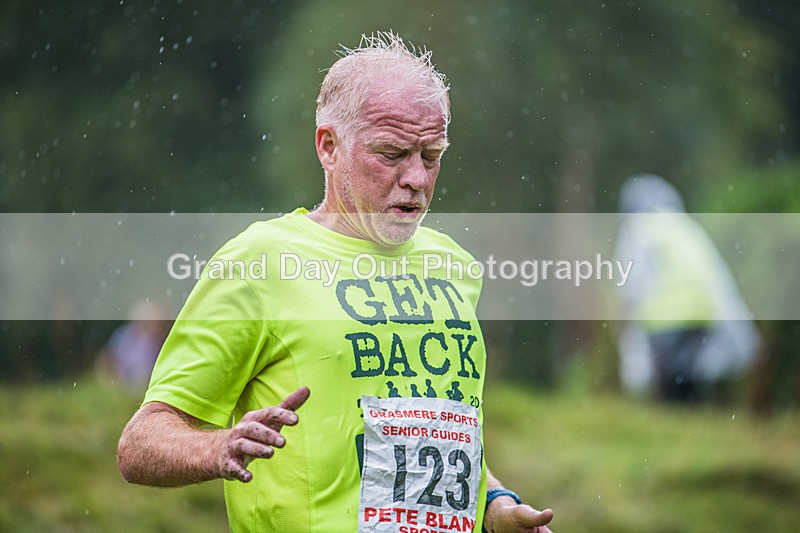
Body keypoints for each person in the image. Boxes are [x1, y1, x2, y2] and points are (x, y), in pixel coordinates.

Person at [117, 32, 554, 533]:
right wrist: (217, 446)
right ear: (329, 146)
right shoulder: (260, 261)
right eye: (391, 154)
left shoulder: (453, 265)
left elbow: (435, 428)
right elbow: (140, 444)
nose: (416, 177)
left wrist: (494, 504)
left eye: (430, 156)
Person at [614, 174, 761, 403]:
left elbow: (631, 280)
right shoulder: (683, 225)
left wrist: (625, 322)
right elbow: (713, 272)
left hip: (663, 317)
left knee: (668, 383)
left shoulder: (639, 227)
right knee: (691, 378)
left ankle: (669, 427)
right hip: (700, 313)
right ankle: (694, 422)